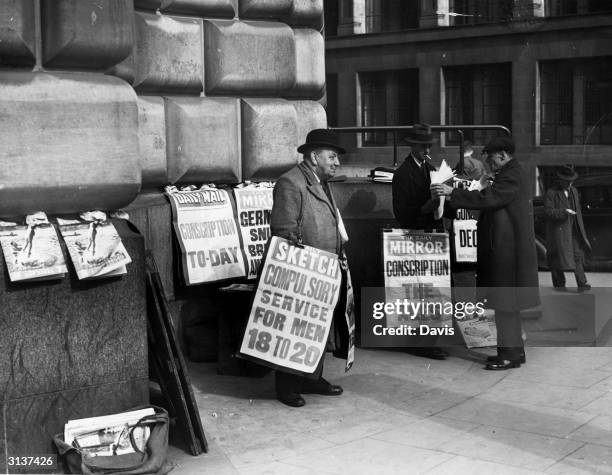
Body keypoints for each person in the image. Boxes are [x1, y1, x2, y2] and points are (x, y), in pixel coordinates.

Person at [431, 136, 540, 370]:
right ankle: (514, 352)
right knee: (506, 303)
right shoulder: (511, 173)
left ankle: (509, 355)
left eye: (491, 158)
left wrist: (452, 192)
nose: (488, 162)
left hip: (507, 254)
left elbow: (489, 198)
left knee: (505, 304)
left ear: (502, 155)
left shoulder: (511, 174)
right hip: (507, 252)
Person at [270, 128, 353, 407]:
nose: (337, 162)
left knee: (320, 326)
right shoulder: (290, 183)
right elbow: (283, 230)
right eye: (332, 157)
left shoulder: (320, 180)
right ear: (314, 156)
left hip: (325, 268)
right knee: (295, 327)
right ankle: (287, 386)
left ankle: (312, 377)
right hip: (303, 271)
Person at [391, 123, 449, 360]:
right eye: (423, 146)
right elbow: (402, 213)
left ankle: (429, 339)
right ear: (413, 147)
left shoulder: (430, 168)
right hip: (415, 238)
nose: (427, 150)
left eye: (428, 146)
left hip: (431, 236)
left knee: (433, 289)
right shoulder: (403, 174)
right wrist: (426, 207)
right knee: (417, 291)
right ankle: (420, 342)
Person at [544, 165, 591, 292]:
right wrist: (564, 212)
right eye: (567, 181)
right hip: (558, 231)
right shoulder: (551, 192)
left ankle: (582, 283)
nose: (570, 183)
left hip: (573, 230)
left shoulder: (574, 191)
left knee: (577, 255)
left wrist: (581, 229)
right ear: (560, 179)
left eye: (571, 181)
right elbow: (548, 212)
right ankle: (559, 285)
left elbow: (578, 212)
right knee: (556, 256)